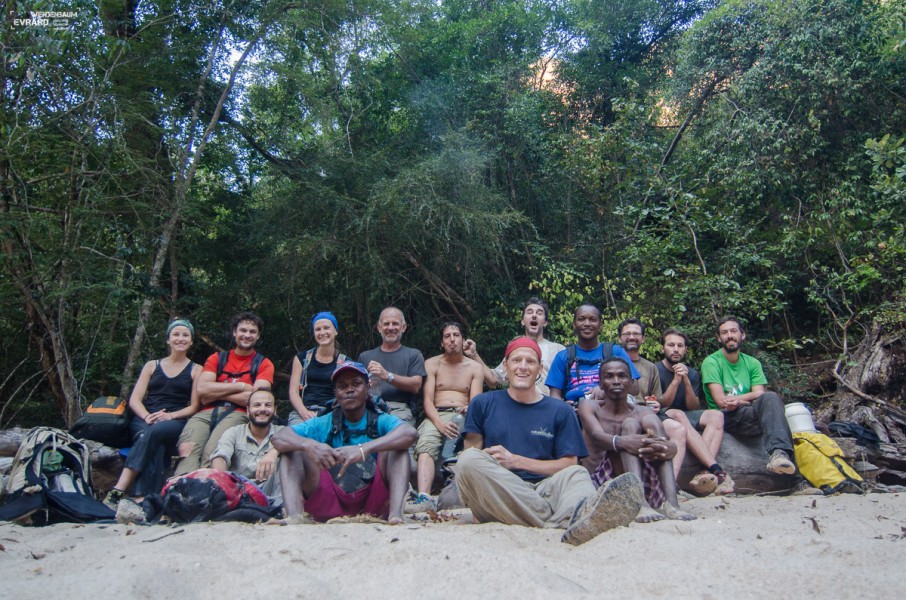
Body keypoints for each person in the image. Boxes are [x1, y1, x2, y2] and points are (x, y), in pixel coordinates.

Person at [456, 337, 645, 546]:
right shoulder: (482, 403)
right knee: (468, 460)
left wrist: (516, 461)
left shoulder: (560, 410)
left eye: (530, 362)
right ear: (505, 365)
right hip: (503, 490)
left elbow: (569, 463)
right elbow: (472, 455)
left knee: (578, 473)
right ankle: (564, 520)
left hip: (547, 488)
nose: (523, 367)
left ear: (540, 369)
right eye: (516, 360)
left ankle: (567, 515)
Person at [273, 360, 417, 524]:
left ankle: (396, 516)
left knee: (398, 448)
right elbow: (279, 437)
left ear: (368, 388)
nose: (350, 390)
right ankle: (294, 517)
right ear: (335, 393)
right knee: (292, 451)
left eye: (356, 384)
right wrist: (309, 444)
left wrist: (362, 449)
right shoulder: (324, 422)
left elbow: (409, 433)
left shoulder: (380, 419)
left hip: (374, 504)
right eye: (342, 386)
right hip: (329, 502)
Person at [579, 357, 696, 523]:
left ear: (632, 383)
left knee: (645, 422)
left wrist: (669, 447)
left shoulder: (642, 411)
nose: (616, 381)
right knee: (630, 426)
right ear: (600, 383)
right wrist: (628, 441)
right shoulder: (589, 406)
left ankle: (672, 504)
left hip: (646, 486)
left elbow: (664, 445)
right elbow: (599, 438)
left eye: (622, 376)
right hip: (603, 485)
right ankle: (639, 505)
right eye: (609, 376)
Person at [104, 319, 202, 507]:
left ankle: (119, 489)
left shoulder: (196, 369)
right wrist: (147, 416)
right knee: (153, 441)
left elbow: (194, 406)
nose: (180, 338)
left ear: (191, 341)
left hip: (175, 420)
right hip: (145, 417)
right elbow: (135, 400)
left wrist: (170, 416)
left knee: (156, 433)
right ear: (168, 340)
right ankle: (144, 499)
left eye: (185, 335)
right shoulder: (152, 366)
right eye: (176, 334)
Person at [701, 316, 807, 485]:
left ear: (743, 335)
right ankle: (795, 483)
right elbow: (721, 401)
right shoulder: (711, 362)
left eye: (733, 331)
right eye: (724, 332)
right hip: (726, 417)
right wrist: (744, 400)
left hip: (749, 414)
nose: (729, 335)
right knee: (775, 414)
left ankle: (779, 455)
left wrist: (737, 399)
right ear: (719, 338)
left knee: (771, 398)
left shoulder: (752, 363)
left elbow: (761, 392)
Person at [175, 312, 274, 475]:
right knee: (187, 450)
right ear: (234, 332)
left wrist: (216, 391)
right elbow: (202, 390)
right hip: (205, 413)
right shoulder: (217, 359)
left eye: (252, 332)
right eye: (243, 330)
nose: (247, 335)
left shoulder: (264, 364)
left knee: (213, 451)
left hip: (238, 413)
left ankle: (207, 490)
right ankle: (180, 487)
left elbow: (258, 400)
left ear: (258, 336)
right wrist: (242, 386)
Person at [408, 321, 484, 512]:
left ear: (463, 339)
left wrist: (468, 409)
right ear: (442, 342)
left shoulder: (474, 367)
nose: (452, 340)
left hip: (463, 414)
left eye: (456, 335)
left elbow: (476, 401)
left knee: (471, 448)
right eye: (447, 336)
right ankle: (424, 496)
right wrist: (439, 423)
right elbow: (427, 401)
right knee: (426, 443)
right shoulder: (432, 363)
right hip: (436, 414)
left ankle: (465, 493)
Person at [618, 318, 693, 493]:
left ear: (643, 339)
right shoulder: (611, 363)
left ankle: (669, 488)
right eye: (627, 334)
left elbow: (659, 399)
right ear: (620, 338)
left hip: (647, 415)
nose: (631, 337)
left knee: (678, 429)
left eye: (636, 334)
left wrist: (656, 404)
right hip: (621, 414)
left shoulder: (650, 367)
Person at [656, 328, 734, 495]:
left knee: (716, 415)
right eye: (671, 345)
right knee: (678, 413)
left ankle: (703, 473)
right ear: (662, 349)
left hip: (686, 414)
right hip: (663, 416)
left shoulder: (691, 373)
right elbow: (661, 402)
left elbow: (693, 406)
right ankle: (716, 469)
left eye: (680, 345)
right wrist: (676, 382)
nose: (676, 349)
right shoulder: (655, 370)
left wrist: (686, 381)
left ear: (685, 350)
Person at [463, 297, 565, 395]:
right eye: (529, 312)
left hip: (547, 408)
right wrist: (474, 354)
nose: (534, 315)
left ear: (545, 322)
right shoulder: (515, 349)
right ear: (522, 321)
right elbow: (493, 380)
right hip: (517, 407)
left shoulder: (558, 350)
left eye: (539, 313)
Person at [545, 304, 640, 406]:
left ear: (600, 325)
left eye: (592, 319)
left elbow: (634, 388)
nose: (587, 323)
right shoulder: (563, 356)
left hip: (610, 408)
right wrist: (564, 408)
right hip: (574, 412)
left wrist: (606, 390)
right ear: (574, 324)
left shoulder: (615, 352)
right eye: (581, 319)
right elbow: (554, 396)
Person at [210, 389, 284, 501]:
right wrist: (222, 481)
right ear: (248, 410)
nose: (262, 409)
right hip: (240, 492)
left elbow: (299, 445)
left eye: (268, 405)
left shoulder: (284, 432)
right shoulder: (234, 432)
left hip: (275, 495)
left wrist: (274, 451)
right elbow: (220, 457)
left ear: (275, 410)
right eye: (257, 405)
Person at [357, 307, 427, 425]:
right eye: (386, 324)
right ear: (379, 328)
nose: (390, 328)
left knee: (400, 436)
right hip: (369, 408)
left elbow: (416, 385)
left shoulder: (413, 354)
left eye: (395, 324)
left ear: (403, 327)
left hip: (399, 410)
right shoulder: (365, 356)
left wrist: (387, 375)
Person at [287, 312, 346, 425]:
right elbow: (293, 391)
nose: (322, 332)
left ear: (336, 331)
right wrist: (304, 412)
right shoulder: (302, 359)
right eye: (318, 329)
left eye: (326, 328)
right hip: (303, 411)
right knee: (295, 437)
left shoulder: (344, 362)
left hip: (333, 412)